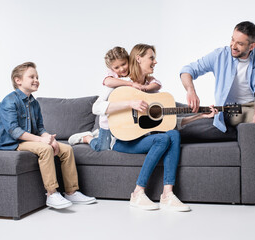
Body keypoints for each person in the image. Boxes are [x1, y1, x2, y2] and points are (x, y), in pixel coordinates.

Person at [70, 44, 218, 211]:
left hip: (141, 136)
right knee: (162, 139)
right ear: (139, 59)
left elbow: (169, 122)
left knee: (173, 134)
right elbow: (96, 108)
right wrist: (130, 103)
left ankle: (167, 194)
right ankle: (137, 193)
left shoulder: (151, 89)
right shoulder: (120, 83)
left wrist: (200, 116)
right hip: (119, 139)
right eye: (151, 58)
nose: (155, 62)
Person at [180, 21, 255, 197]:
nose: (233, 45)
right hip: (232, 109)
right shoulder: (220, 55)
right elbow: (187, 70)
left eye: (240, 43)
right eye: (232, 40)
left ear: (252, 46)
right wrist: (190, 90)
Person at [0, 62, 96, 209]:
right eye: (31, 77)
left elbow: (40, 127)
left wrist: (50, 138)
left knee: (66, 149)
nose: (36, 80)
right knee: (45, 149)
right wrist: (42, 141)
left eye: (37, 77)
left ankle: (71, 192)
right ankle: (51, 193)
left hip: (29, 139)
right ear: (18, 80)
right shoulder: (9, 101)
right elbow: (14, 131)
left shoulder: (34, 103)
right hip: (11, 142)